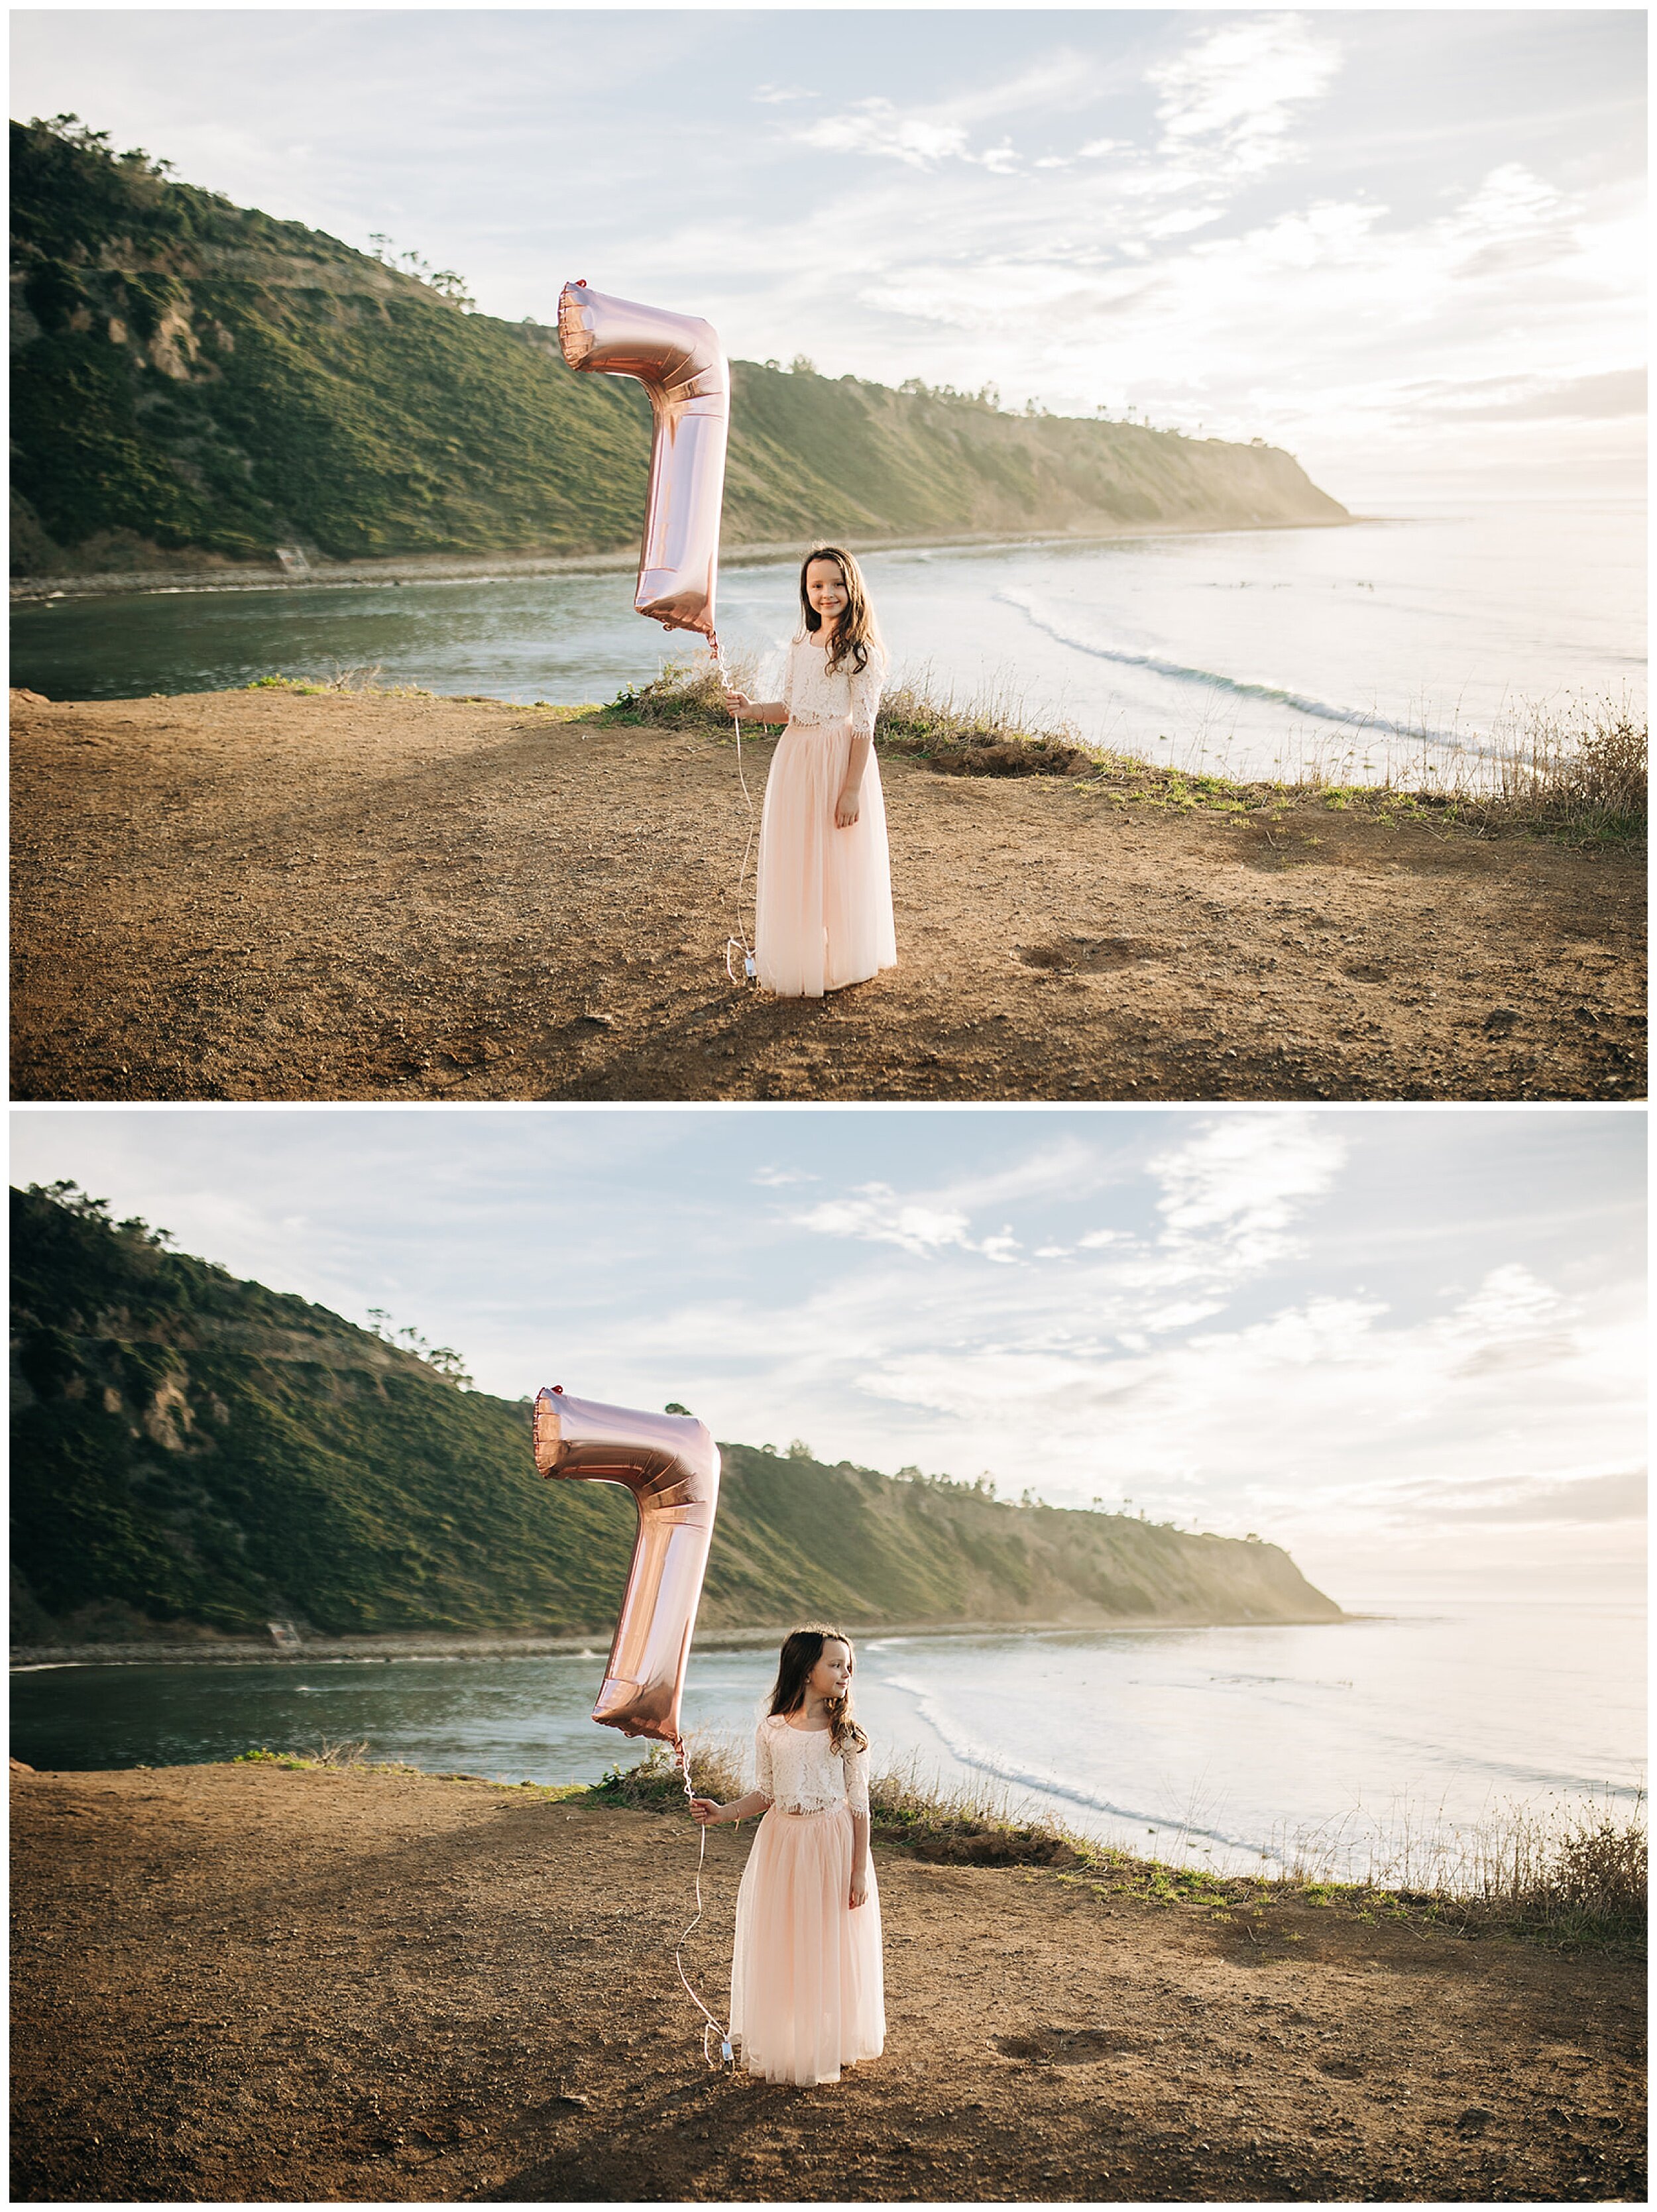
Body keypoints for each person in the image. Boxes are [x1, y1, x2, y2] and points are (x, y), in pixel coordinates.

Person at [689, 1624, 886, 2086]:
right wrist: (723, 1813)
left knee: (830, 1940)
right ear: (805, 1671)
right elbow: (767, 1792)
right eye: (835, 1664)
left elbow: (860, 1806)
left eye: (848, 1665)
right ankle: (790, 2040)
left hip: (832, 1843)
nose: (846, 1673)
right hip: (782, 1843)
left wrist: (859, 1870)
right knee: (787, 1939)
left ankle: (833, 2041)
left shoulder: (848, 1735)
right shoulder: (772, 1730)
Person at [722, 547, 898, 998]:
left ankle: (845, 956)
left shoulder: (860, 652)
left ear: (852, 587)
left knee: (837, 859)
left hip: (837, 760)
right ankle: (802, 954)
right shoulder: (801, 642)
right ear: (806, 590)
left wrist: (851, 790)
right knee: (798, 855)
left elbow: (863, 726)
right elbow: (791, 707)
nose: (827, 593)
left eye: (837, 583)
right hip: (795, 759)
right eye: (817, 585)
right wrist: (752, 710)